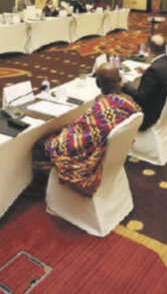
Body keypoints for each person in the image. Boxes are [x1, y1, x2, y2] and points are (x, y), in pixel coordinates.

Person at [31, 63, 141, 196]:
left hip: (94, 163)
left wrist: (63, 133)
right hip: (113, 156)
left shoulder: (101, 109)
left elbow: (76, 143)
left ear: (98, 84)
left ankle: (41, 189)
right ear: (120, 80)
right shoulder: (129, 102)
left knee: (41, 144)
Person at [123, 35, 167, 131]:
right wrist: (147, 72)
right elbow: (162, 74)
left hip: (149, 117)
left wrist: (124, 84)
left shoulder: (154, 70)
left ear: (149, 50)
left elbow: (140, 98)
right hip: (164, 108)